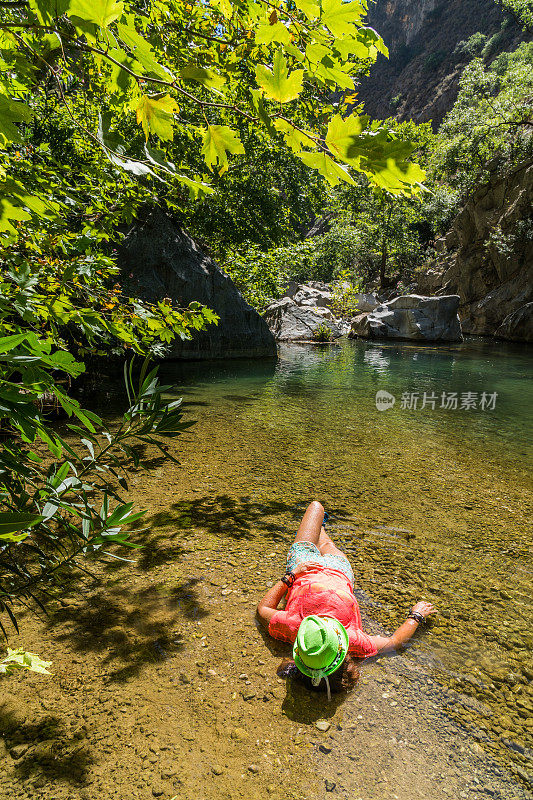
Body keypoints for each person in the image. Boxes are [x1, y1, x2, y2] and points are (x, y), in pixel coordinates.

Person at [257, 501, 435, 698]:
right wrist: (416, 617)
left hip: (317, 568)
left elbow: (263, 608)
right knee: (320, 524)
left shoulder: (340, 637)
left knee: (323, 534)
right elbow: (396, 642)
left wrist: (290, 576)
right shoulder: (346, 639)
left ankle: (321, 525)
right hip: (328, 569)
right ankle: (321, 525)